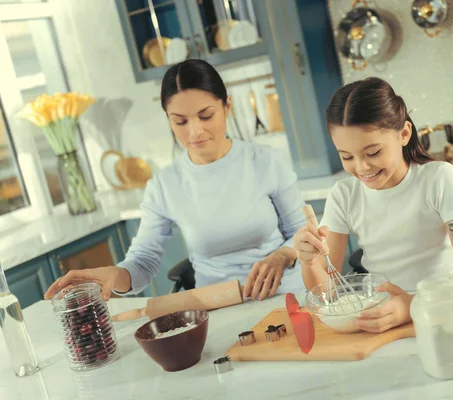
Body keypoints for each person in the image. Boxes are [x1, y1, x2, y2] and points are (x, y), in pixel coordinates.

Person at [44, 59, 306, 302]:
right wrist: (115, 275)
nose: (194, 131)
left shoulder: (266, 161)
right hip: (219, 307)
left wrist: (283, 255)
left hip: (285, 297)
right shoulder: (164, 185)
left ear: (227, 106)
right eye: (180, 121)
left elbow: (302, 231)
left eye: (206, 116)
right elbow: (143, 262)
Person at [293, 77, 453, 333]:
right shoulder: (344, 195)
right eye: (346, 156)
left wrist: (413, 306)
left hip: (444, 310)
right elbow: (327, 292)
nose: (361, 168)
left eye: (373, 153)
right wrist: (310, 262)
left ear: (403, 134)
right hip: (380, 315)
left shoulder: (439, 179)